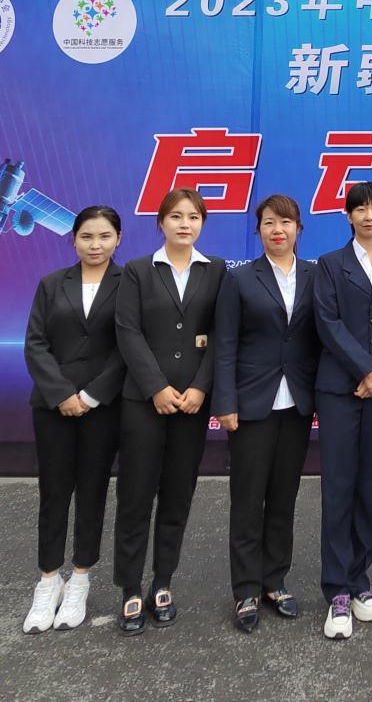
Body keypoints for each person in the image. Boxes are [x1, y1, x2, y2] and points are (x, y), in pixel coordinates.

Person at [113, 189, 226, 635]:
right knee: (136, 495)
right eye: (176, 216)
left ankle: (162, 581)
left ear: (202, 223)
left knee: (178, 494)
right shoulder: (139, 270)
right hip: (144, 402)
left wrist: (200, 387)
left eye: (193, 217)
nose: (184, 224)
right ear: (161, 222)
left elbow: (222, 334)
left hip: (192, 405)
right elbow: (128, 331)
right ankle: (129, 587)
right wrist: (156, 387)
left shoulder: (215, 270)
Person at [213, 195, 320, 633]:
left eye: (286, 222)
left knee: (283, 496)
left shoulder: (316, 275)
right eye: (269, 223)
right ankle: (245, 589)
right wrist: (225, 402)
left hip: (297, 403)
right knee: (247, 498)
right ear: (258, 230)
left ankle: (275, 581)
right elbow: (225, 344)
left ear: (298, 229)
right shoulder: (239, 279)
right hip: (251, 404)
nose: (278, 230)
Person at [22, 206, 126, 633]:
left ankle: (80, 577)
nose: (95, 245)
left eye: (104, 236)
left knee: (92, 490)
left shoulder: (129, 283)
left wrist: (91, 395)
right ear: (74, 239)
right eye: (86, 236)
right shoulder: (52, 284)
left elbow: (128, 346)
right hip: (53, 407)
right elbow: (36, 344)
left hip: (103, 407)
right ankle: (48, 581)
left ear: (118, 239)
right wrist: (63, 394)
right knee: (54, 492)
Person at [315, 181, 372, 640]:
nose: (369, 216)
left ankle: (359, 581)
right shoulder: (330, 264)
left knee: (370, 485)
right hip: (339, 389)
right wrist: (366, 368)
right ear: (348, 216)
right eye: (361, 209)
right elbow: (327, 323)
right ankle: (336, 589)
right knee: (338, 487)